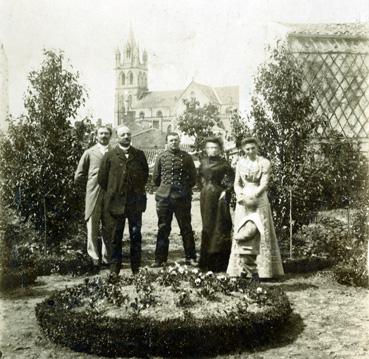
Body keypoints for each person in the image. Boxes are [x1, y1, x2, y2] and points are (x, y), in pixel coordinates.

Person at [227, 137, 284, 280]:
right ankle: (241, 269)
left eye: (253, 148)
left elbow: (264, 184)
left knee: (260, 229)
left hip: (259, 198)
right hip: (243, 199)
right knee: (243, 230)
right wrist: (240, 195)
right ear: (243, 150)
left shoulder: (264, 163)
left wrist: (253, 196)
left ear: (257, 148)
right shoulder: (240, 162)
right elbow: (237, 183)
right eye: (247, 149)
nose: (250, 151)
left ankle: (264, 271)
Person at [98, 126, 149, 275]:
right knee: (115, 237)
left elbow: (145, 176)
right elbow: (102, 179)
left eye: (128, 134)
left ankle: (136, 270)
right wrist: (115, 191)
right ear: (117, 137)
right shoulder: (110, 155)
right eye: (123, 134)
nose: (126, 136)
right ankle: (115, 271)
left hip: (135, 203)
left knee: (135, 235)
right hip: (115, 203)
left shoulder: (139, 155)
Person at [152, 132, 197, 267]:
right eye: (171, 140)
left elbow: (193, 178)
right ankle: (160, 259)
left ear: (179, 141)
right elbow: (156, 178)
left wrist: (183, 189)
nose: (174, 143)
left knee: (186, 228)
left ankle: (191, 257)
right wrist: (166, 189)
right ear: (167, 142)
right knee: (163, 228)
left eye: (176, 140)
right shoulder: (161, 157)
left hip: (182, 198)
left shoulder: (187, 157)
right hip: (164, 199)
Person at [74, 126, 112, 269]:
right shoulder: (89, 153)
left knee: (109, 227)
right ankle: (94, 258)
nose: (104, 136)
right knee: (92, 227)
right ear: (96, 136)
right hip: (93, 194)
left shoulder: (114, 153)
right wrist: (91, 185)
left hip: (110, 195)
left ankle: (107, 258)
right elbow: (79, 176)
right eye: (101, 133)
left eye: (106, 134)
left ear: (110, 136)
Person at [198, 137, 234, 272]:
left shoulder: (224, 163)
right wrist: (203, 187)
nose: (212, 150)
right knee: (207, 225)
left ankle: (219, 263)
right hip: (206, 196)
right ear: (206, 149)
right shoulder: (203, 162)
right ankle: (206, 262)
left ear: (220, 149)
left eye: (215, 148)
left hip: (219, 196)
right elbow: (198, 177)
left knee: (220, 226)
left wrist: (226, 190)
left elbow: (232, 179)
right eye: (210, 147)